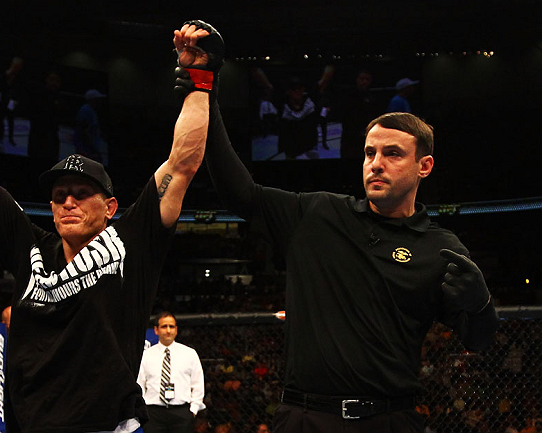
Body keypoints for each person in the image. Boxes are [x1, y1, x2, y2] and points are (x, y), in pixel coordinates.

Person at [174, 26, 499, 432]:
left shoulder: (441, 248)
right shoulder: (318, 213)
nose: (375, 163)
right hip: (305, 418)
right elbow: (239, 191)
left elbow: (478, 340)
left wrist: (481, 305)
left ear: (424, 166)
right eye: (369, 153)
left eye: (392, 153)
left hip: (390, 420)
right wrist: (206, 86)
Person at [0, 19, 218, 432]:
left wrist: (199, 78)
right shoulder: (31, 247)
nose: (68, 201)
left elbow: (182, 163)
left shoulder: (131, 244)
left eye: (81, 193)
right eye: (59, 194)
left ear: (110, 207)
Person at [137, 312, 206, 433]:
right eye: (164, 326)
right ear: (156, 330)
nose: (168, 330)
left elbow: (198, 384)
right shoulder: (146, 356)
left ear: (176, 330)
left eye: (171, 326)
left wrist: (193, 410)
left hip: (182, 413)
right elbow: (140, 385)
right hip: (153, 413)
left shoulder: (189, 354)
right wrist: (143, 410)